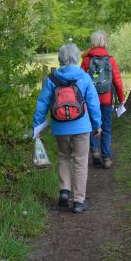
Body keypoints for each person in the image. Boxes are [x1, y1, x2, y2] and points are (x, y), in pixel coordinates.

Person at [33, 44, 102, 213]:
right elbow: (93, 103)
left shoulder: (52, 79)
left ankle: (64, 192)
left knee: (64, 157)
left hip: (60, 127)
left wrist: (37, 126)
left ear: (61, 58)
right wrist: (97, 124)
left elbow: (42, 103)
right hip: (81, 126)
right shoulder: (84, 77)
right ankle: (79, 201)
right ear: (76, 57)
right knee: (80, 161)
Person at [81, 30, 125, 169]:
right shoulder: (110, 60)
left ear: (93, 42)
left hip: (89, 101)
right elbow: (117, 81)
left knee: (93, 126)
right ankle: (106, 158)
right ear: (105, 42)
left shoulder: (87, 60)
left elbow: (80, 80)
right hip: (106, 100)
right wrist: (121, 98)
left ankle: (94, 152)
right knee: (106, 128)